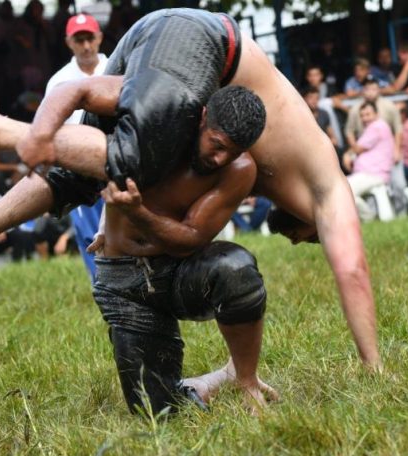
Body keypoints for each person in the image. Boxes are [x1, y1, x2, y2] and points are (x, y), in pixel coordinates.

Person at [0, 8, 382, 371]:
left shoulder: (247, 163)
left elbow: (181, 210)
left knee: (84, 174)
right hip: (201, 44)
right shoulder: (329, 188)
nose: (306, 240)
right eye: (311, 238)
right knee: (131, 157)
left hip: (169, 44)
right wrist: (373, 364)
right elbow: (353, 270)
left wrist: (116, 215)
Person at [92, 153, 275, 415]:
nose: (220, 154)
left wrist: (137, 213)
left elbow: (189, 238)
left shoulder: (239, 165)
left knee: (235, 269)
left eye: (231, 147)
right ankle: (214, 380)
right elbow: (60, 172)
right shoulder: (142, 138)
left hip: (184, 267)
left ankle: (244, 377)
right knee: (156, 412)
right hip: (125, 281)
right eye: (218, 142)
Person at [44, 12, 109, 281]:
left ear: (99, 38)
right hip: (78, 167)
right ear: (69, 42)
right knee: (89, 235)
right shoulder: (59, 81)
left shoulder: (117, 69)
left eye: (89, 38)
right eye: (79, 40)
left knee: (126, 232)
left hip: (118, 162)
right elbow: (49, 130)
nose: (86, 45)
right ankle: (102, 290)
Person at [342, 102, 395, 220]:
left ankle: (368, 217)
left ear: (376, 114)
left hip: (373, 174)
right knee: (343, 189)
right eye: (362, 115)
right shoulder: (374, 127)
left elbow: (357, 149)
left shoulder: (377, 126)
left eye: (368, 114)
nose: (364, 118)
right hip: (369, 173)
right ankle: (368, 216)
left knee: (343, 190)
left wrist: (348, 143)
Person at [344, 78, 402, 159]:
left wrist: (396, 149)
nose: (370, 93)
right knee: (347, 158)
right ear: (363, 90)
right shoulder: (355, 109)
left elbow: (398, 129)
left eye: (374, 89)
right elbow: (349, 131)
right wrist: (355, 148)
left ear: (379, 90)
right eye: (367, 89)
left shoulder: (389, 106)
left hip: (386, 148)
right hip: (363, 149)